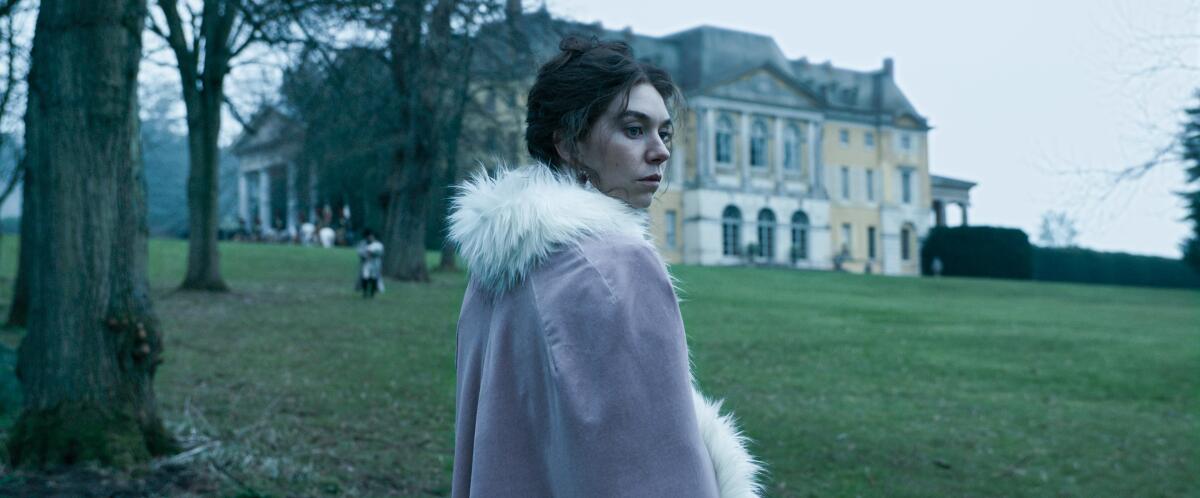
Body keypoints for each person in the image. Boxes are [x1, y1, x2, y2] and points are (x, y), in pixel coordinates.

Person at [448, 37, 762, 498]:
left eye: (664, 132)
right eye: (634, 130)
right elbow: (652, 474)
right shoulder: (618, 267)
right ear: (570, 143)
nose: (660, 151)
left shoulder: (494, 267)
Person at [357, 229, 384, 298]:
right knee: (365, 277)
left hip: (375, 264)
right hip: (367, 263)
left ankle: (372, 294)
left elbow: (379, 253)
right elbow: (361, 253)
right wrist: (365, 256)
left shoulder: (378, 245)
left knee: (374, 278)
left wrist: (372, 254)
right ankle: (365, 293)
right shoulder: (363, 243)